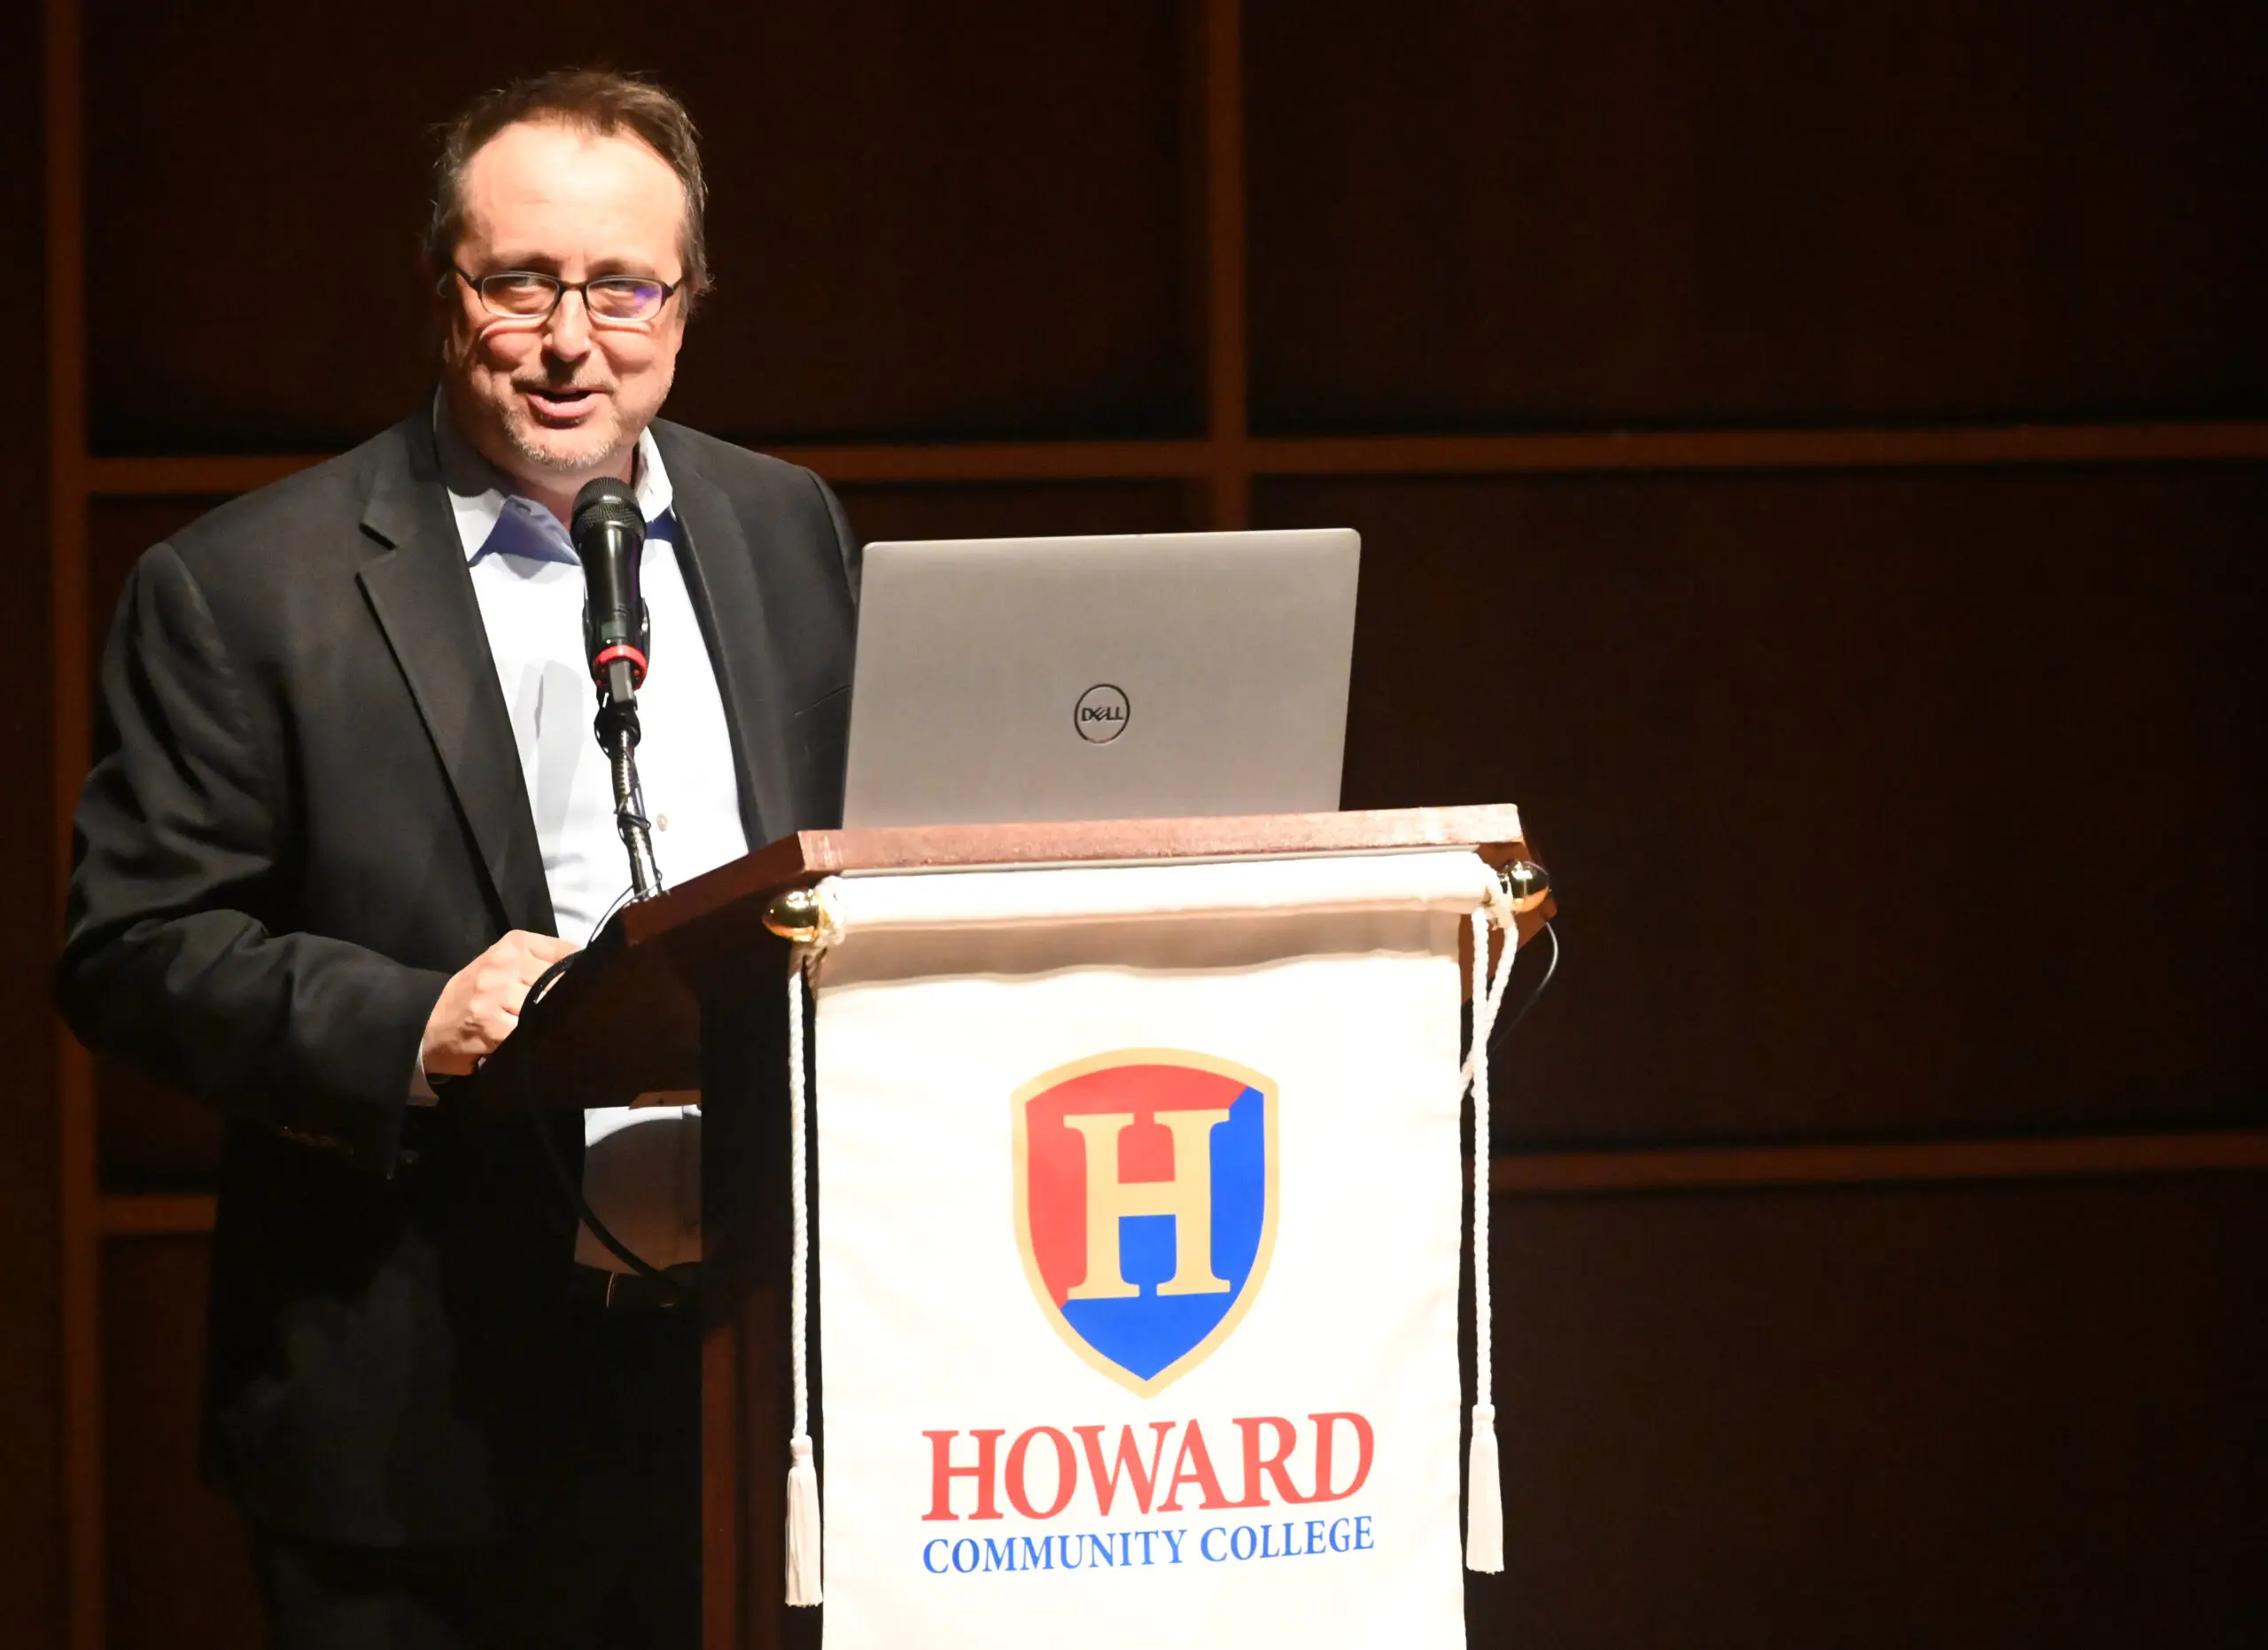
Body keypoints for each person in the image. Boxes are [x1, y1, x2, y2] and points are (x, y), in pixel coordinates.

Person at [55, 69, 858, 1648]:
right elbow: (130, 947)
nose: (574, 337)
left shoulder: (787, 529)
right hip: (426, 1411)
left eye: (624, 285)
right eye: (521, 284)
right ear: (447, 294)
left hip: (765, 1369)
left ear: (687, 305)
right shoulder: (241, 588)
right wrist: (411, 1026)